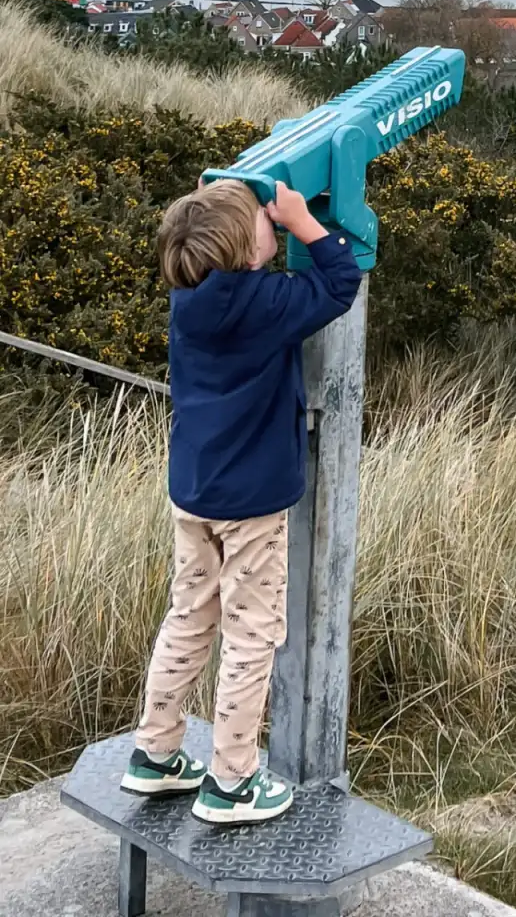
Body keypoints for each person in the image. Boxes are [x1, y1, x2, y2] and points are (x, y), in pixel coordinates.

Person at [119, 176, 362, 825]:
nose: (271, 219)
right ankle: (231, 782)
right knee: (252, 636)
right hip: (251, 503)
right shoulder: (264, 302)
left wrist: (222, 203)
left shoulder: (189, 297)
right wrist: (305, 222)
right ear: (247, 252)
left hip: (194, 491)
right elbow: (340, 283)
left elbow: (222, 243)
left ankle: (156, 751)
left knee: (190, 617)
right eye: (261, 219)